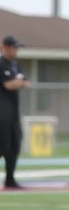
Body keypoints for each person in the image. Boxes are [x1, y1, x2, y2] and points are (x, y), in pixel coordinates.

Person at [0, 35, 28, 189]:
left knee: (14, 145)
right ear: (5, 47)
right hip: (1, 113)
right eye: (13, 48)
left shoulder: (15, 65)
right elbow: (9, 85)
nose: (15, 51)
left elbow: (25, 81)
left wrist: (19, 82)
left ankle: (10, 179)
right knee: (3, 145)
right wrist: (18, 82)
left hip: (13, 113)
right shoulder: (1, 64)